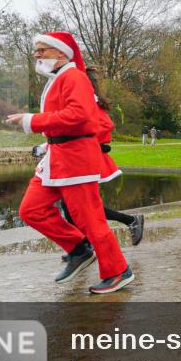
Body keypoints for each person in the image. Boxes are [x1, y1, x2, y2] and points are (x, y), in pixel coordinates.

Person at [6, 31, 135, 294]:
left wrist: (32, 120)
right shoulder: (60, 79)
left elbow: (80, 116)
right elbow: (71, 121)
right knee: (30, 210)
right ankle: (79, 249)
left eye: (42, 50)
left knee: (91, 220)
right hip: (58, 159)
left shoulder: (74, 77)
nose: (37, 55)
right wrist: (46, 142)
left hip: (76, 161)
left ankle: (118, 271)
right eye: (37, 50)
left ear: (61, 52)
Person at [42, 66, 145, 248]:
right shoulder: (84, 101)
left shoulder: (90, 103)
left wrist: (86, 141)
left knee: (82, 209)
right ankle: (86, 245)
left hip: (84, 161)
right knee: (75, 209)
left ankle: (88, 245)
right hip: (73, 160)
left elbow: (104, 126)